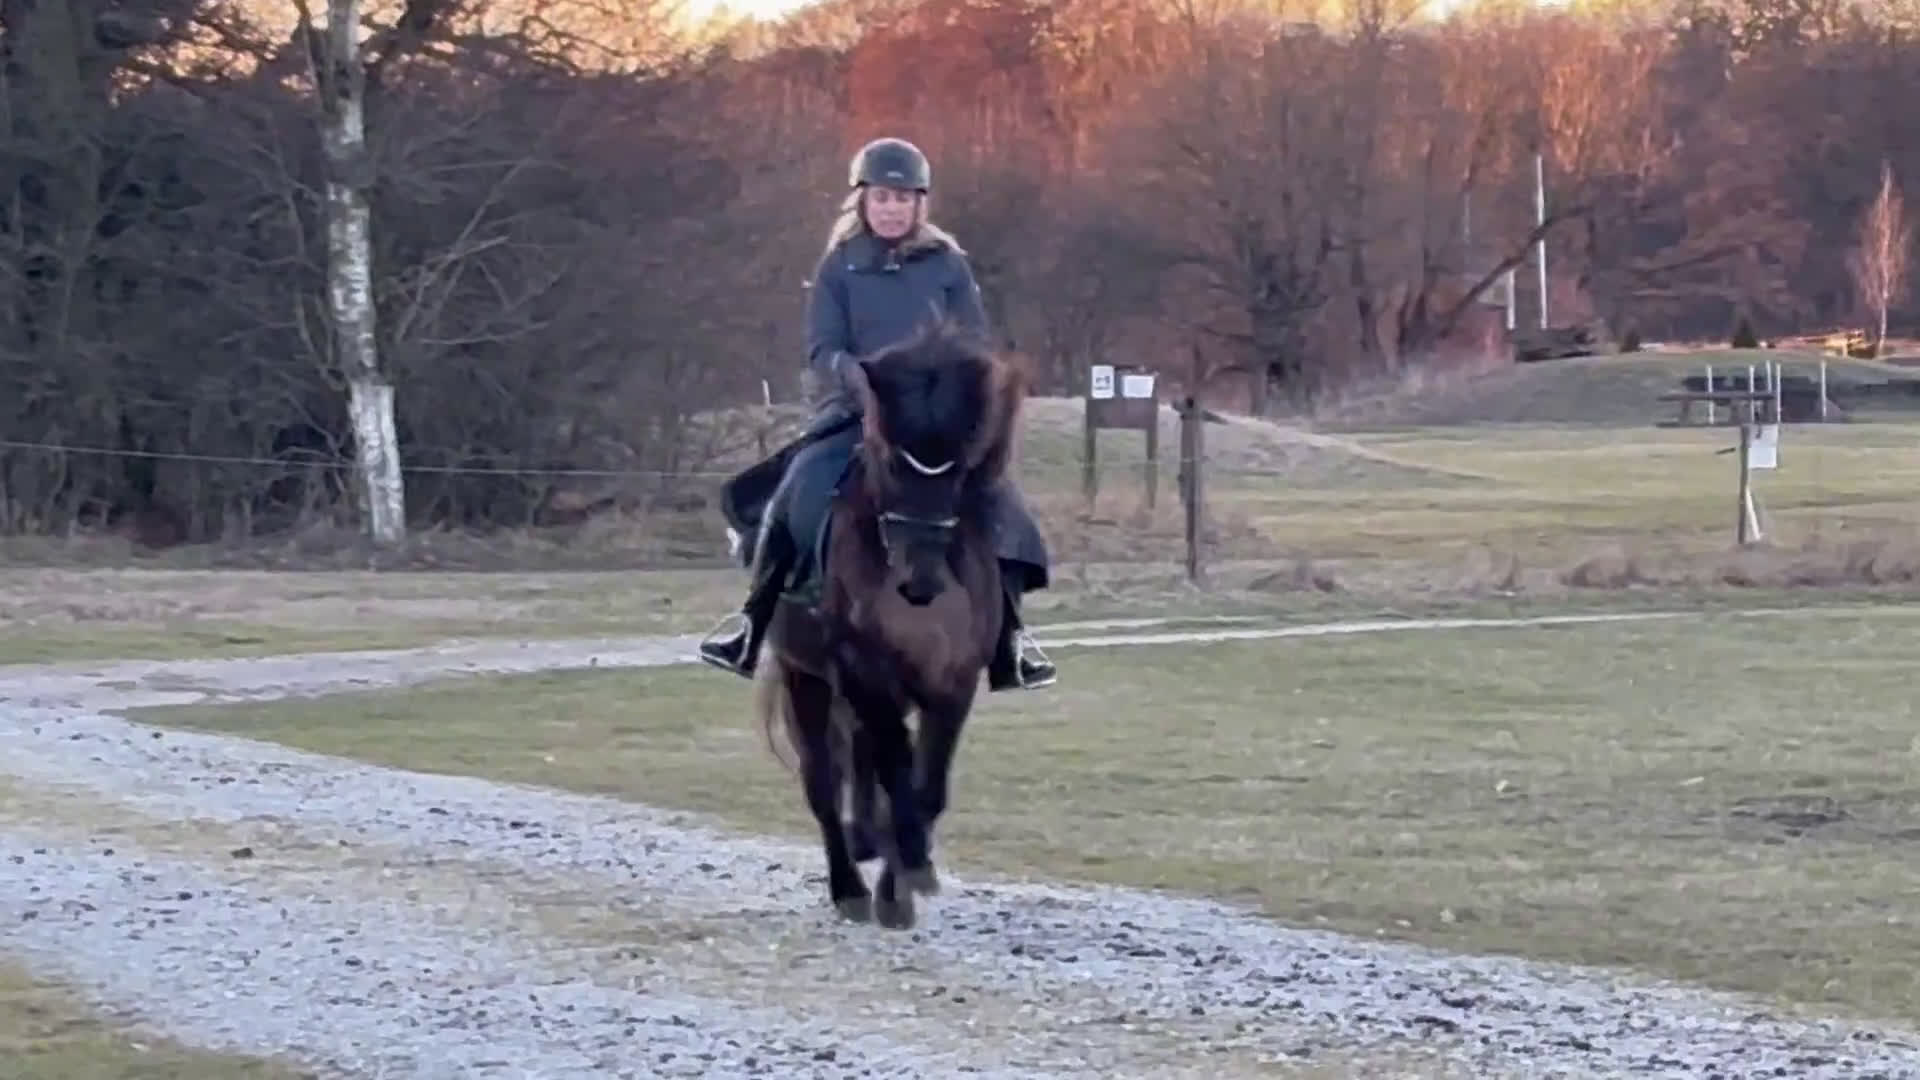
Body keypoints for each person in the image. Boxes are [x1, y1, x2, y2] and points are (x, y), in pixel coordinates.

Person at [697, 136, 1057, 692]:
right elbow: (823, 348)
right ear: (863, 201)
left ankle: (1010, 639)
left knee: (1002, 505)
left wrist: (959, 397)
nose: (892, 208)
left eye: (903, 198)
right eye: (882, 197)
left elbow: (975, 342)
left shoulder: (948, 266)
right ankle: (751, 622)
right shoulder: (838, 267)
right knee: (797, 490)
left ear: (920, 204)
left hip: (934, 426)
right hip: (855, 415)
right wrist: (858, 381)